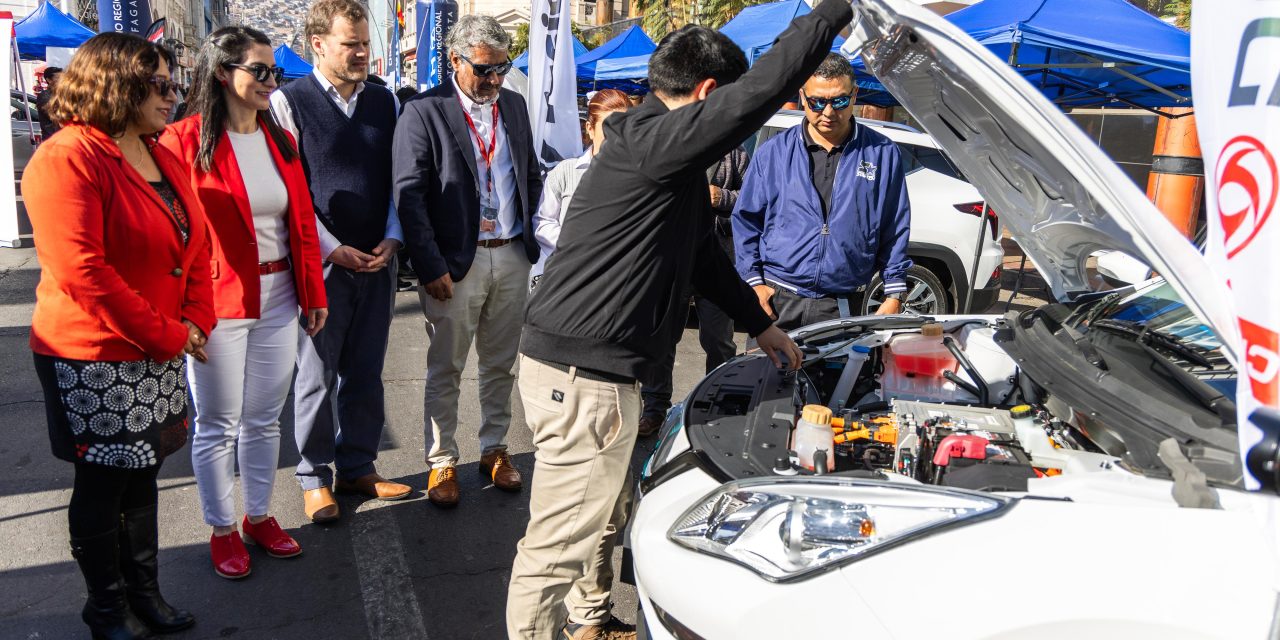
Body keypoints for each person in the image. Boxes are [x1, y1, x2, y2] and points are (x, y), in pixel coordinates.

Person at [507, 0, 849, 634]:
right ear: (708, 93)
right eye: (728, 109)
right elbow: (761, 92)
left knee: (602, 512)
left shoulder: (663, 158)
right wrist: (831, 13)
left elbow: (703, 260)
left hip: (595, 372)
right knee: (557, 545)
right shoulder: (652, 141)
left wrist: (761, 323)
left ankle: (589, 618)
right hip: (584, 376)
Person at [23, 33, 210, 638]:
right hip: (93, 354)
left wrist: (196, 321)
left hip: (158, 343)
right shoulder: (66, 158)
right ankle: (106, 606)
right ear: (116, 83)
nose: (172, 95)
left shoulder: (162, 151)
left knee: (143, 471)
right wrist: (169, 334)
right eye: (159, 84)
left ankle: (144, 594)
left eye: (173, 83)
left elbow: (196, 244)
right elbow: (84, 273)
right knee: (104, 481)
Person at [159, 26, 328, 580]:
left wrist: (313, 292)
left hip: (281, 296)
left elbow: (300, 221)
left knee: (262, 419)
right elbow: (168, 231)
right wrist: (180, 306)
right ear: (220, 73)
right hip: (216, 300)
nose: (269, 81)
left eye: (272, 71)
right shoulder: (182, 142)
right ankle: (222, 526)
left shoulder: (281, 138)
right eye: (259, 70)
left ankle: (259, 515)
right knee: (217, 422)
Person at [270, 0, 410, 523]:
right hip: (320, 262)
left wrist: (393, 239)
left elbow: (398, 179)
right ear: (318, 45)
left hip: (378, 259)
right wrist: (331, 247)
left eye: (365, 44)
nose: (360, 53)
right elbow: (291, 191)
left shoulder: (386, 102)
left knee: (367, 371)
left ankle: (357, 466)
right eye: (350, 44)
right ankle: (313, 475)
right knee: (315, 373)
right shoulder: (290, 104)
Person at [394, 15, 542, 507]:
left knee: (500, 364)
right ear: (455, 60)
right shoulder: (424, 110)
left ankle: (495, 449)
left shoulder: (515, 107)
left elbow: (530, 173)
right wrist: (430, 264)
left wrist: (532, 240)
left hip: (512, 252)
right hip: (457, 262)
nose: (495, 80)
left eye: (503, 68)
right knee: (447, 366)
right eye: (484, 70)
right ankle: (441, 461)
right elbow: (409, 196)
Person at [734, 53, 912, 329]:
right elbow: (746, 220)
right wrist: (754, 283)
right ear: (803, 97)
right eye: (817, 102)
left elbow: (895, 226)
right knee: (767, 373)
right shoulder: (773, 153)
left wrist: (894, 293)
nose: (828, 112)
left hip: (843, 304)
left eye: (839, 100)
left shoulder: (882, 154)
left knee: (841, 374)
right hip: (777, 301)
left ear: (854, 95)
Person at [635, 145, 750, 437]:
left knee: (718, 340)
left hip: (717, 259)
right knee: (662, 337)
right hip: (672, 258)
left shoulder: (734, 152)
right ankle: (654, 410)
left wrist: (721, 196)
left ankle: (716, 408)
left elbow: (752, 198)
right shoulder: (673, 144)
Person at [529, 88, 632, 290]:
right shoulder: (566, 172)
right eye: (608, 130)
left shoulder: (640, 176)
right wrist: (575, 246)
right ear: (590, 129)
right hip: (569, 278)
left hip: (619, 282)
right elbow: (543, 221)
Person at [35, 66, 62, 139]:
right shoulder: (45, 96)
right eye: (58, 78)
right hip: (53, 139)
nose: (62, 81)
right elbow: (55, 116)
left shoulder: (62, 94)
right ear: (49, 80)